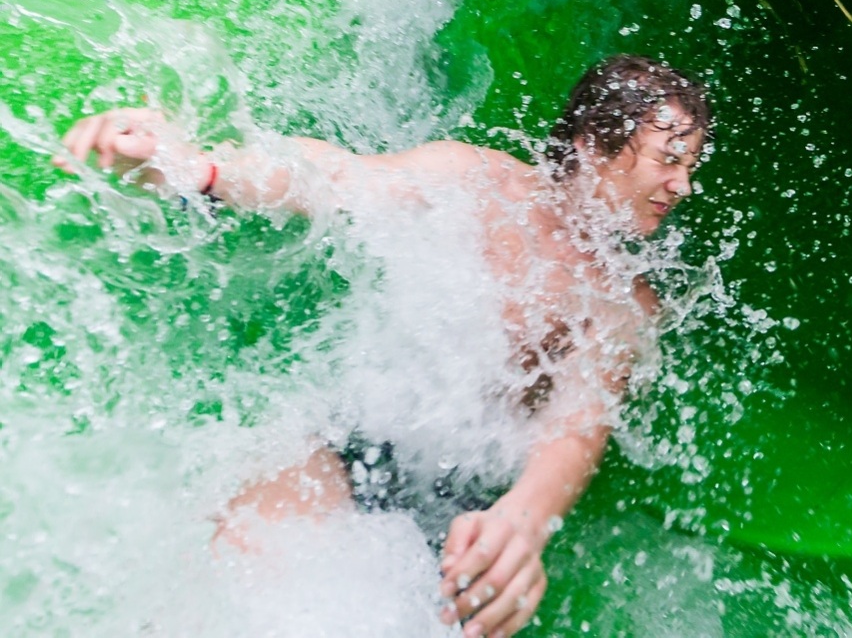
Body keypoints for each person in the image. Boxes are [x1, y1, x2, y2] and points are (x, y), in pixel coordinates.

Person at [55, 54, 711, 637]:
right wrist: (204, 168)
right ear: (597, 145)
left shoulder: (622, 302)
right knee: (217, 577)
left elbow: (577, 428)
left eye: (690, 165)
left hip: (459, 514)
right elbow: (333, 181)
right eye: (670, 159)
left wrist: (523, 520)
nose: (683, 186)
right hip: (355, 445)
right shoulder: (475, 181)